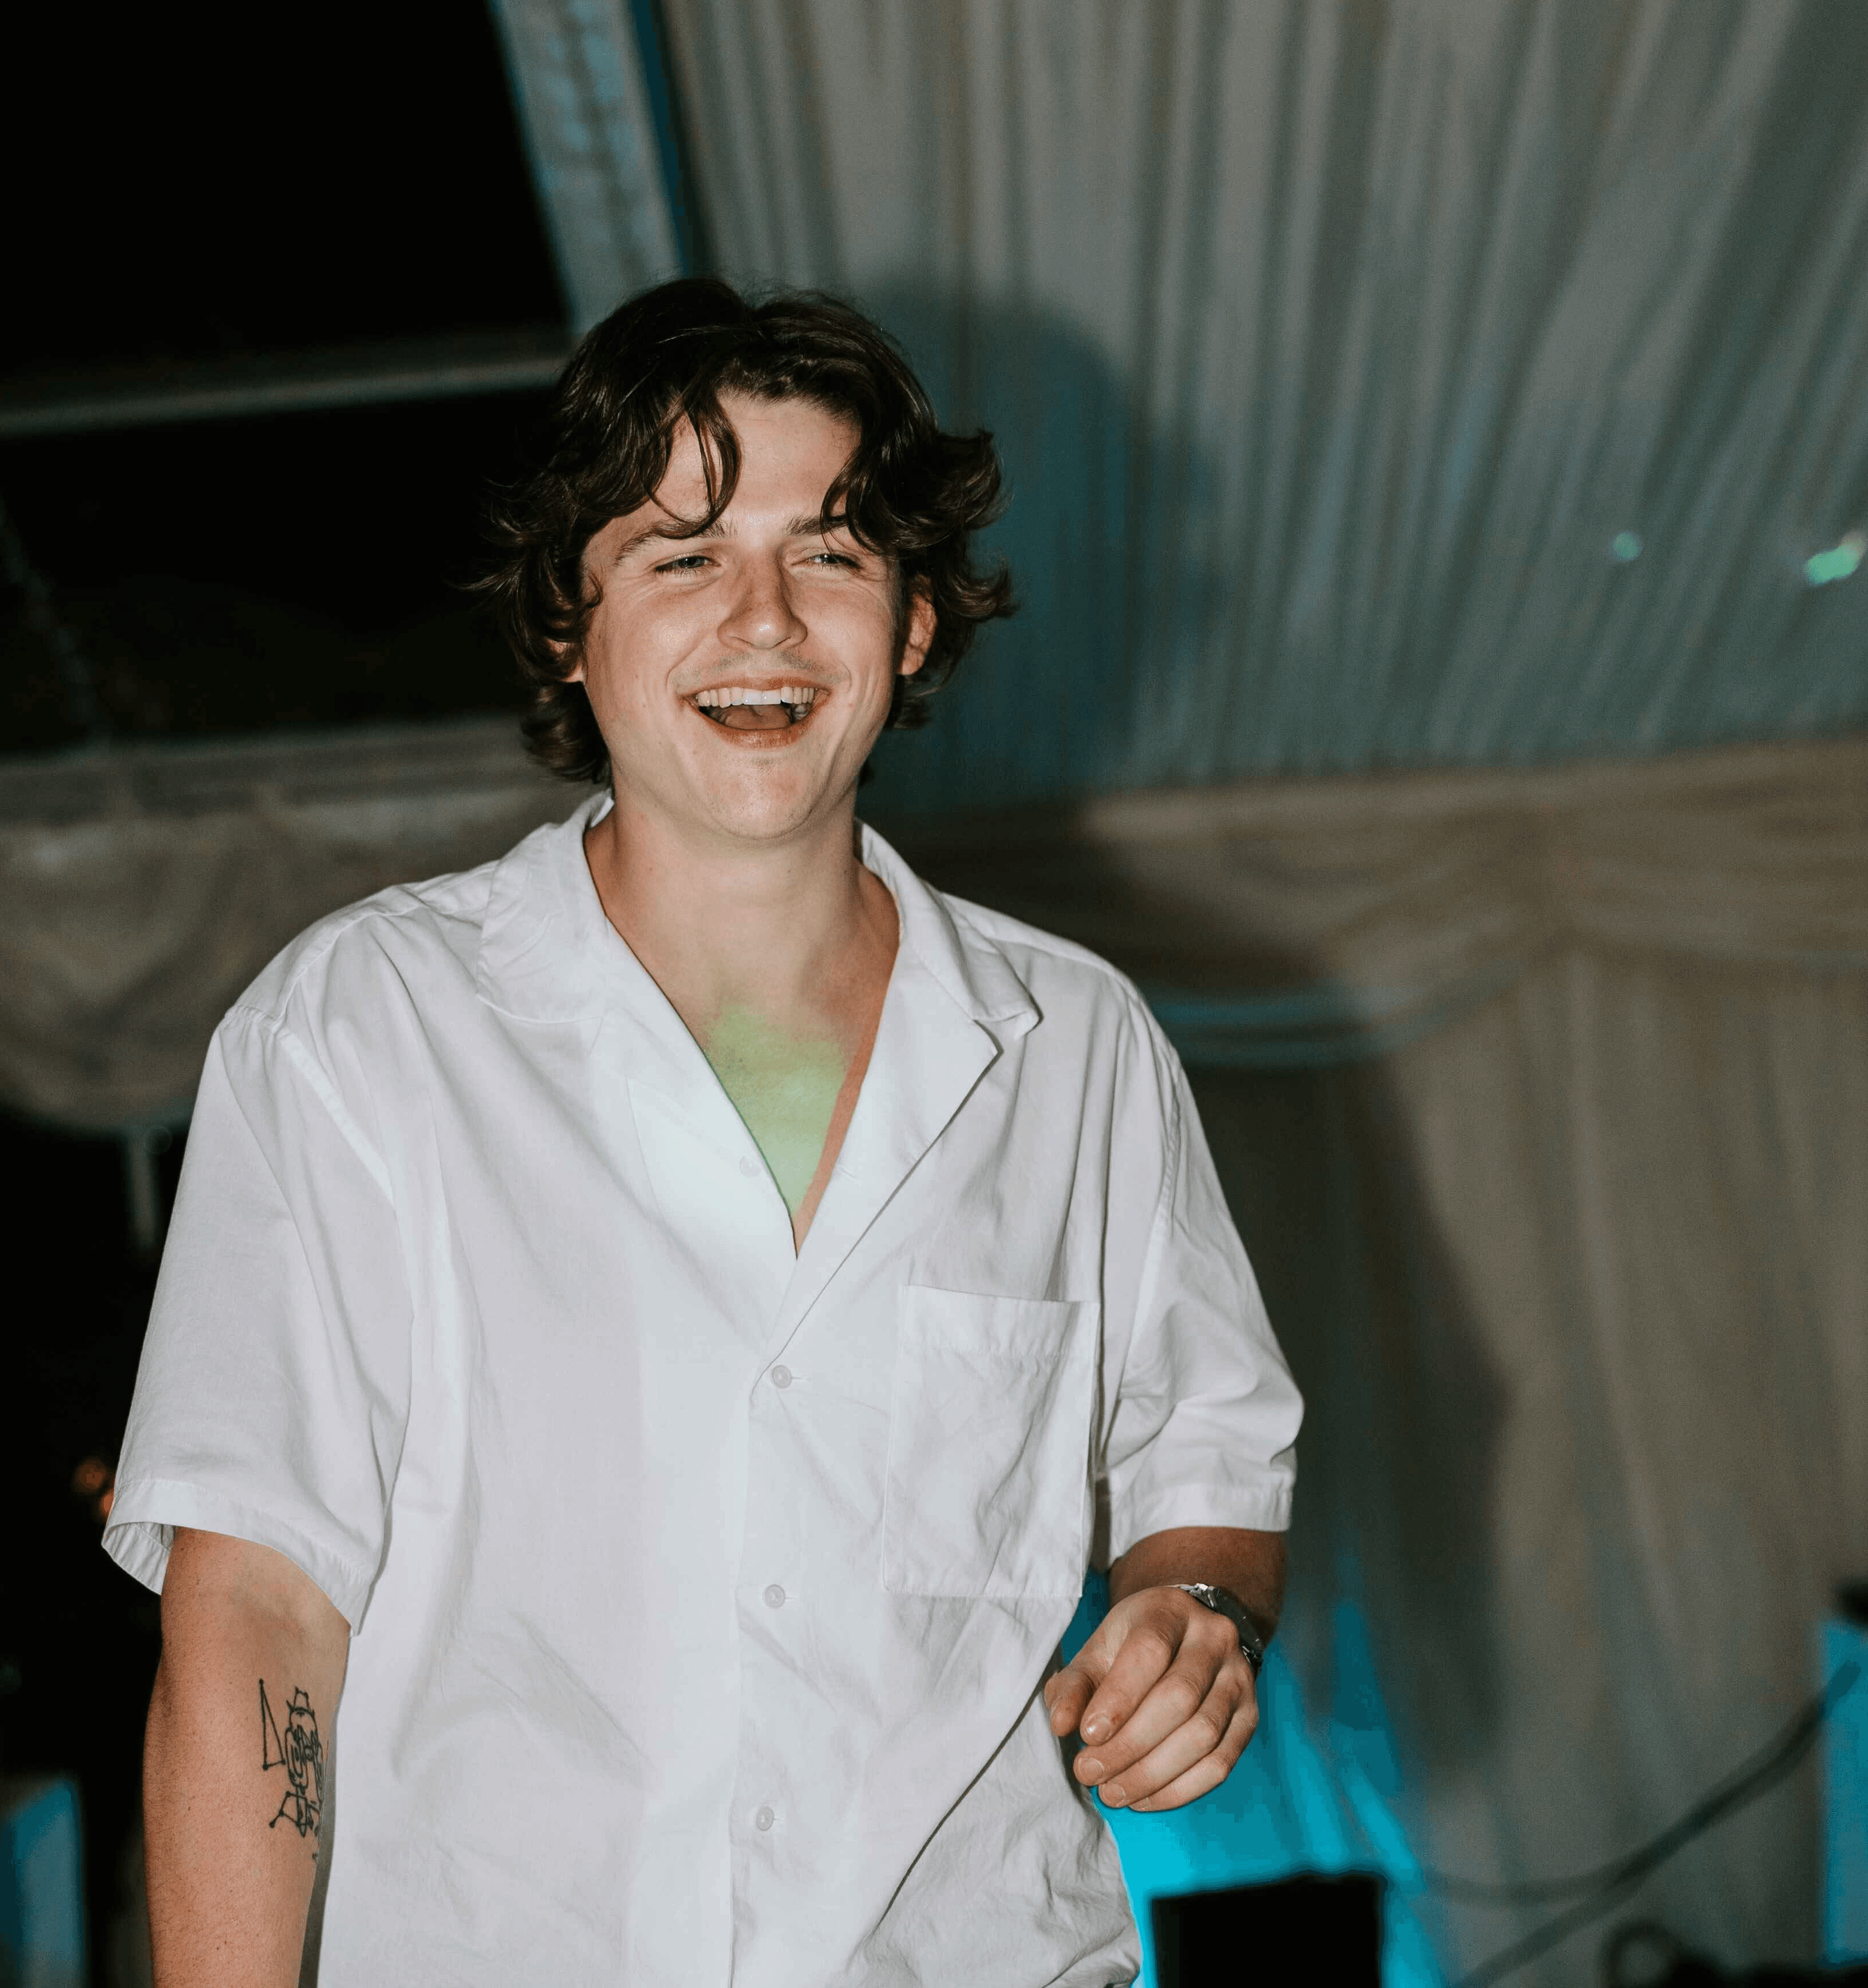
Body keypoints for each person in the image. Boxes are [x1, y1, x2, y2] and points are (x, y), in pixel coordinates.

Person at [104, 278, 1302, 1986]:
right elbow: (256, 1621)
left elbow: (1211, 1476)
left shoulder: (1080, 1049)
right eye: (680, 556)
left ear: (912, 626)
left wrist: (1199, 1616)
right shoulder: (357, 1036)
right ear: (567, 630)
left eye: (829, 553)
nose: (764, 621)